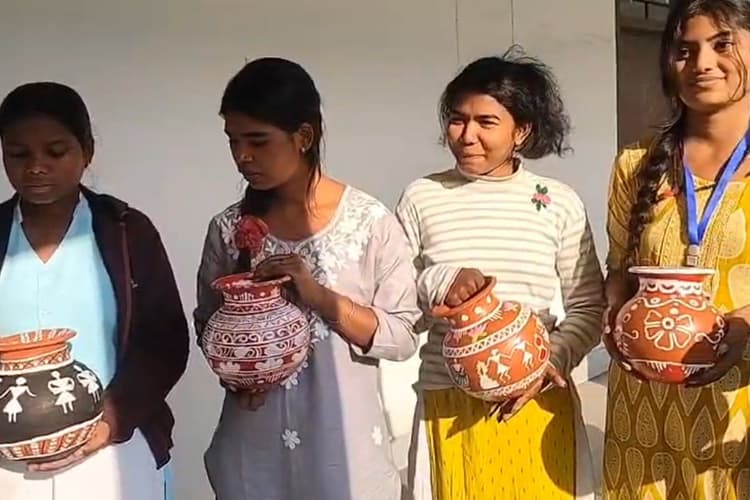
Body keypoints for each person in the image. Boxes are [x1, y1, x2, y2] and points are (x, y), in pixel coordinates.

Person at [194, 57, 421, 500]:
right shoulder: (228, 229)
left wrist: (318, 296)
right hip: (252, 452)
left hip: (344, 456)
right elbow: (208, 325)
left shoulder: (369, 223)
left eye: (258, 141)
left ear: (304, 136)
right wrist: (237, 375)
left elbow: (402, 336)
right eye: (233, 141)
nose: (242, 156)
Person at [398, 50, 605, 499]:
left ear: (521, 131)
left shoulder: (557, 202)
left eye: (486, 122)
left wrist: (549, 362)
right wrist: (440, 281)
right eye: (457, 120)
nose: (467, 136)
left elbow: (590, 305)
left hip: (537, 401)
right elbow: (399, 305)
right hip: (446, 403)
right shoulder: (422, 196)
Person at [0, 82, 188, 500]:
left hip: (112, 455)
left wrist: (112, 421)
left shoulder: (126, 232)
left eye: (55, 151)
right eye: (18, 154)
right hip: (7, 467)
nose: (36, 167)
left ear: (87, 151)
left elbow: (164, 341)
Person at [602, 1, 750, 498]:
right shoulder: (635, 165)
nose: (702, 63)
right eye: (685, 50)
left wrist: (745, 323)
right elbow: (618, 267)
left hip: (736, 419)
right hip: (645, 415)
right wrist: (614, 310)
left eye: (722, 44)